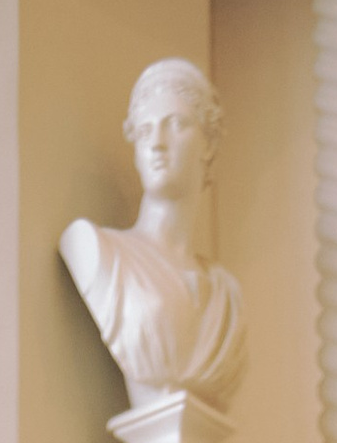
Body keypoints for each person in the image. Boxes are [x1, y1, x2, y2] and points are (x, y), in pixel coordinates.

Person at [60, 58, 247, 422]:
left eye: (175, 125)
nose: (157, 144)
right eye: (145, 132)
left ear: (207, 144)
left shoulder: (228, 297)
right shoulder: (99, 252)